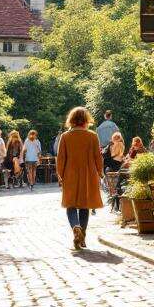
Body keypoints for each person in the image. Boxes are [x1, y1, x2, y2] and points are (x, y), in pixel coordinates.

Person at [55, 106, 104, 250]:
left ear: (71, 120)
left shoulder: (65, 137)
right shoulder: (92, 136)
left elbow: (61, 158)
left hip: (70, 174)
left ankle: (75, 227)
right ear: (86, 120)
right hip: (89, 175)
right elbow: (98, 157)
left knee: (70, 205)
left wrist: (60, 174)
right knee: (84, 206)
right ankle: (82, 237)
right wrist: (100, 173)